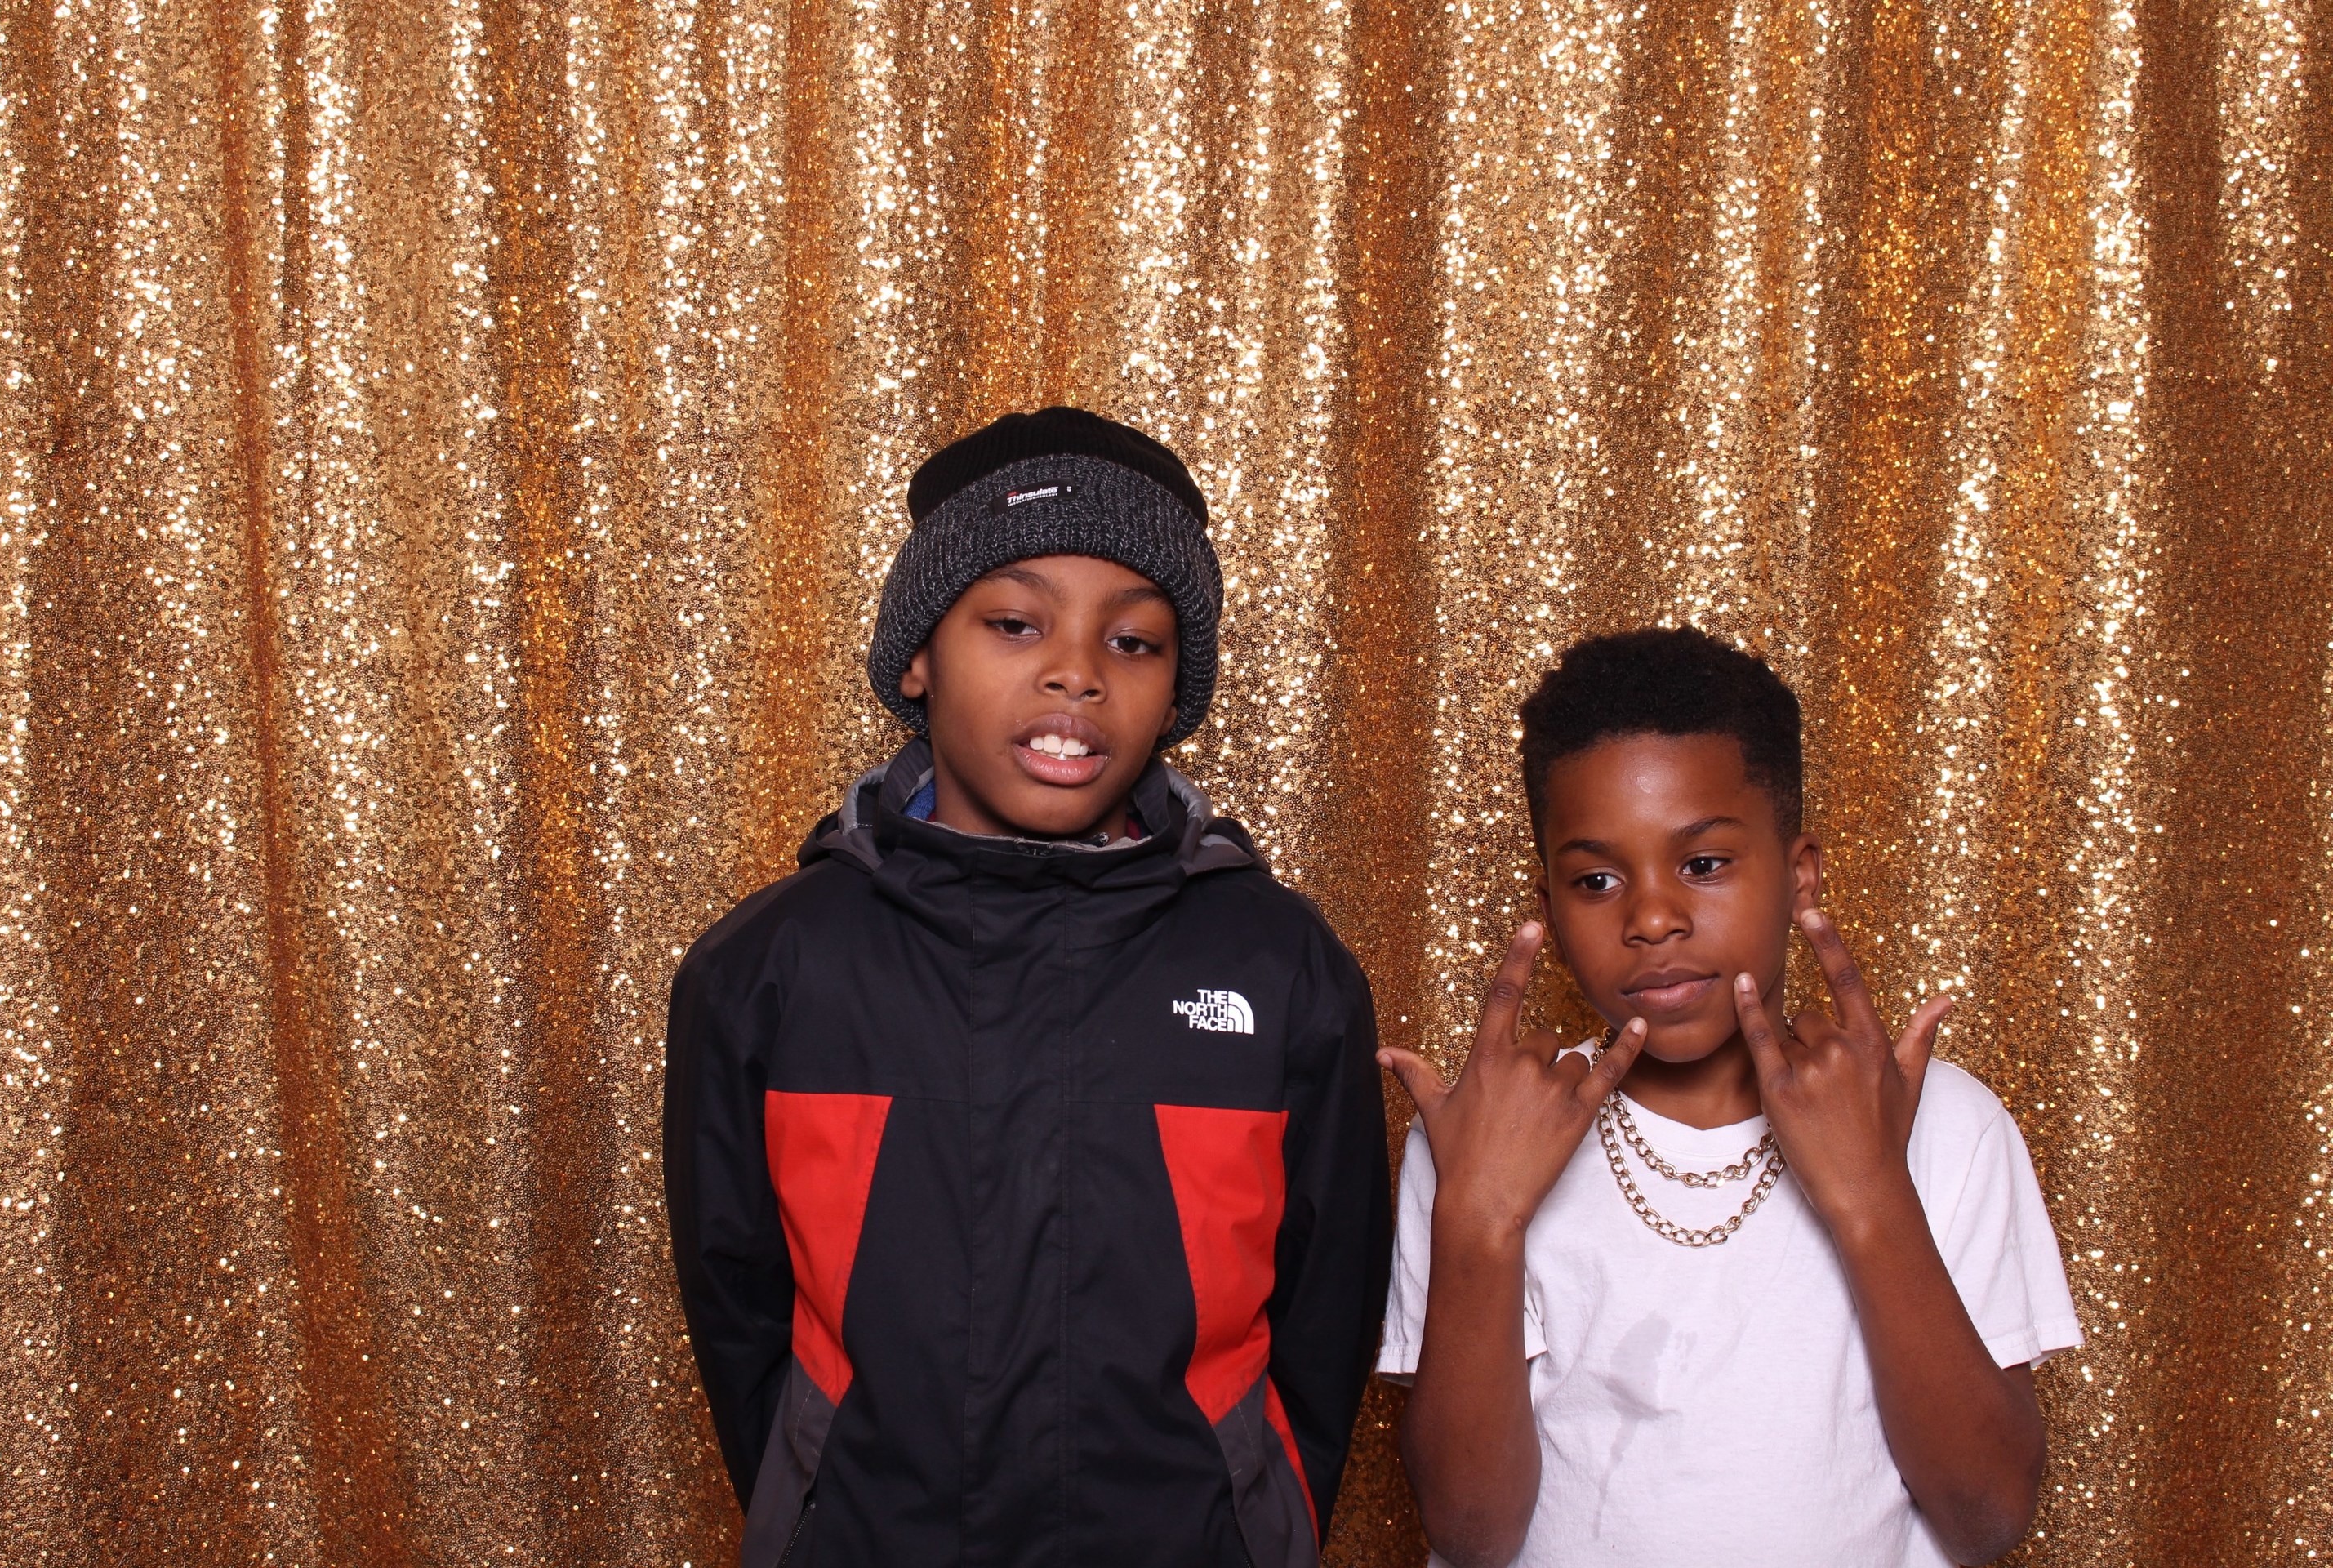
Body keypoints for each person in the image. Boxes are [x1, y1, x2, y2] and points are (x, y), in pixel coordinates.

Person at [664, 407, 1390, 1568]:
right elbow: (738, 1308)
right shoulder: (771, 969)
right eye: (1014, 623)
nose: (1076, 672)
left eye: (1135, 641)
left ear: (1176, 689)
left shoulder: (1280, 968)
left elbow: (1326, 1308)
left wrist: (1263, 1529)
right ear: (917, 656)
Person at [1376, 626, 2081, 1568]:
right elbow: (1471, 1533)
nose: (1652, 917)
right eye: (1596, 880)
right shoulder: (1491, 1133)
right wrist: (1481, 1217)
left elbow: (1986, 1517)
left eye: (1703, 865)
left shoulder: (1950, 1125)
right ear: (1547, 907)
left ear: (1800, 875)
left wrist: (1872, 1192)